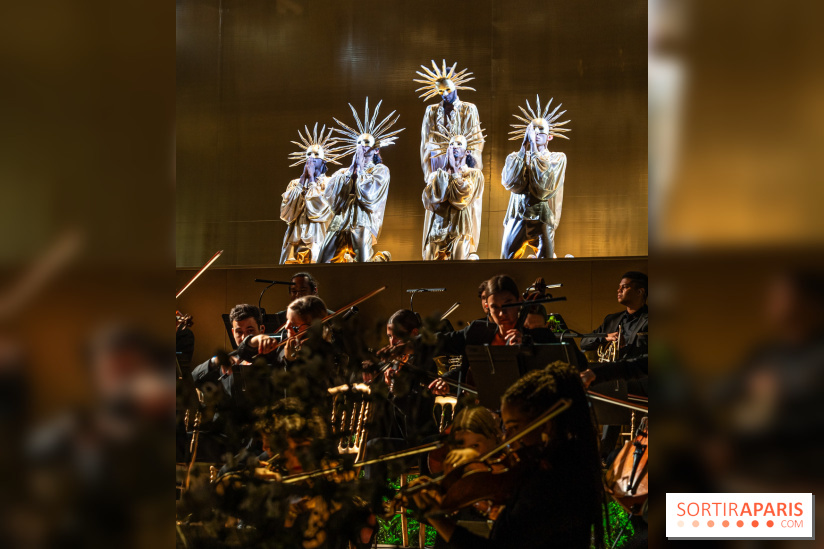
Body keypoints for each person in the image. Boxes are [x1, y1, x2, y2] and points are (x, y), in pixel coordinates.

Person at [409, 362, 608, 549]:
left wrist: (437, 518)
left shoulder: (550, 482)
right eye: (506, 428)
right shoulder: (562, 468)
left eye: (514, 428)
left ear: (546, 425)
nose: (507, 439)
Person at [428, 275, 561, 395]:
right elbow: (468, 369)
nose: (502, 314)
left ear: (520, 301)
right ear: (488, 307)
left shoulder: (539, 336)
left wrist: (529, 348)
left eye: (508, 304)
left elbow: (562, 371)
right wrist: (410, 343)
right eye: (495, 307)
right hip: (478, 413)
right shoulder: (477, 331)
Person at [319, 99, 403, 263]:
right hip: (340, 220)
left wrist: (361, 170)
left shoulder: (381, 170)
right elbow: (331, 198)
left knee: (362, 262)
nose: (361, 148)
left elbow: (370, 197)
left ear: (376, 149)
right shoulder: (343, 172)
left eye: (366, 144)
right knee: (324, 260)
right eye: (358, 144)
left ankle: (380, 259)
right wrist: (352, 169)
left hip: (363, 219)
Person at [500, 96, 571, 259]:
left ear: (549, 136)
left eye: (541, 131)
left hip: (541, 218)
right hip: (517, 216)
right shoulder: (514, 158)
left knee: (545, 264)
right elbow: (511, 183)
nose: (536, 134)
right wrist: (524, 148)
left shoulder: (557, 158)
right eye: (533, 130)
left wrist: (533, 147)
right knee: (506, 261)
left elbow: (543, 188)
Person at [279, 123, 341, 264]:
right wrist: (302, 179)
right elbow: (286, 213)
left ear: (323, 160)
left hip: (317, 237)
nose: (311, 158)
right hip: (294, 239)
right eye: (308, 154)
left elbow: (320, 210)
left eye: (316, 155)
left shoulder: (329, 182)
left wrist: (312, 179)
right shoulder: (295, 183)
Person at [422, 124, 485, 260]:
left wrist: (455, 172)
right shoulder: (436, 176)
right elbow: (431, 200)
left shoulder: (474, 174)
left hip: (460, 230)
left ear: (467, 152)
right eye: (451, 144)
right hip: (437, 232)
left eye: (459, 144)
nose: (454, 146)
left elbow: (462, 199)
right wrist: (445, 169)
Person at [416, 59, 484, 180]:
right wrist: (428, 172)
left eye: (448, 90)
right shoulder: (431, 111)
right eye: (440, 91)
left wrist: (471, 171)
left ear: (456, 85)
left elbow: (475, 142)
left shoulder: (468, 109)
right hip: (437, 163)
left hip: (461, 164)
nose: (445, 95)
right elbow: (425, 143)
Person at [580, 271, 649, 389]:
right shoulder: (611, 320)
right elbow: (584, 343)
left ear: (640, 292)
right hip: (609, 382)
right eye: (619, 287)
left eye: (625, 287)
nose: (619, 290)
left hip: (640, 385)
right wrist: (605, 338)